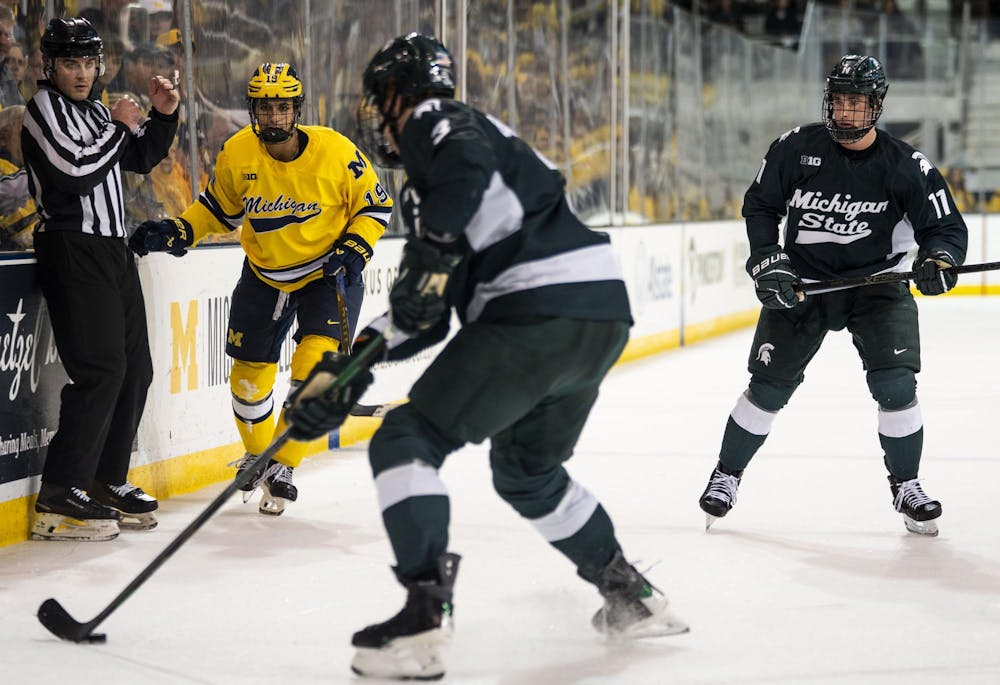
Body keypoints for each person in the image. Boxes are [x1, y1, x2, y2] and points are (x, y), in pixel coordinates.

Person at [282, 33, 689, 681]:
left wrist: (434, 250)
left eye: (381, 101)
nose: (381, 117)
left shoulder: (438, 122)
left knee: (405, 438)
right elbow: (426, 314)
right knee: (527, 470)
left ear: (396, 95)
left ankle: (422, 621)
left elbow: (458, 181)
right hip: (598, 317)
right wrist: (347, 367)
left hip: (534, 308)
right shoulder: (451, 168)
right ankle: (630, 595)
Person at [697, 55, 968, 538]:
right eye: (839, 101)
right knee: (768, 388)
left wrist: (939, 261)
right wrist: (766, 259)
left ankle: (907, 485)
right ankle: (727, 474)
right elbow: (760, 205)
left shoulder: (906, 166)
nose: (845, 112)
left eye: (856, 102)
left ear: (876, 105)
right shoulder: (794, 149)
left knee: (896, 387)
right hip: (804, 284)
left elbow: (944, 228)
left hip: (878, 287)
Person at [129, 62, 392, 516]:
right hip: (265, 273)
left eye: (282, 108)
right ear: (253, 110)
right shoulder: (238, 152)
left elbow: (376, 205)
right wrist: (178, 231)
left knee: (315, 362)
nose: (273, 116)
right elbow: (217, 211)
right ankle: (258, 454)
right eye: (265, 108)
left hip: (326, 273)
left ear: (296, 110)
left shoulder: (335, 150)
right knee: (248, 382)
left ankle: (284, 464)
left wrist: (355, 248)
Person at [23, 17, 179, 540]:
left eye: (89, 62)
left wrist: (160, 118)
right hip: (72, 247)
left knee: (136, 369)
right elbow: (72, 172)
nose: (82, 72)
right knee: (101, 370)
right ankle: (60, 494)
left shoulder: (94, 111)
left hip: (113, 250)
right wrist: (118, 126)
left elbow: (138, 156)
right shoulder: (43, 109)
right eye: (71, 62)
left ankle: (106, 481)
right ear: (51, 65)